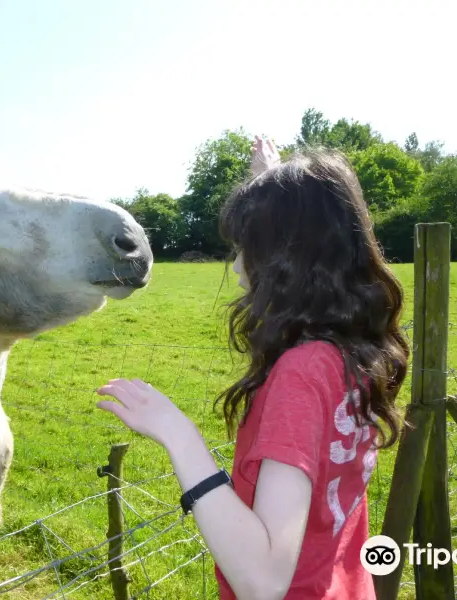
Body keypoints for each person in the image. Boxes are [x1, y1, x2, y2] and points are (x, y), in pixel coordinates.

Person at [96, 136, 410, 600]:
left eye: (247, 246)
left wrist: (177, 433)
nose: (238, 265)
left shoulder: (301, 375)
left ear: (287, 261)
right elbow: (314, 215)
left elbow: (263, 581)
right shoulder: (354, 350)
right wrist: (271, 178)